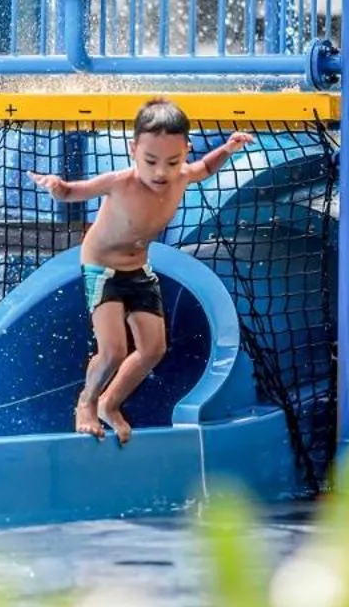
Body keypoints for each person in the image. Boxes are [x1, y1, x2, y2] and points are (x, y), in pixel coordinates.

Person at [27, 101, 254, 444]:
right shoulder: (119, 183)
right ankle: (87, 403)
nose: (161, 172)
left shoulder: (182, 176)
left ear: (185, 151)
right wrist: (58, 187)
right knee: (113, 351)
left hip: (137, 269)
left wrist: (227, 148)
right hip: (102, 268)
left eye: (172, 162)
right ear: (133, 150)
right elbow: (74, 191)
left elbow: (205, 168)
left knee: (153, 349)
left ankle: (110, 403)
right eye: (150, 161)